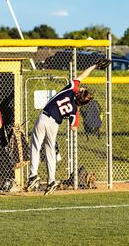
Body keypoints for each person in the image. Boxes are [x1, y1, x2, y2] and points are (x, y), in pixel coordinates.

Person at [26, 59, 111, 196]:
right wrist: (75, 110)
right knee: (50, 152)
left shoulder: (71, 89)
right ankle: (51, 181)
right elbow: (73, 128)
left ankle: (33, 175)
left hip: (45, 116)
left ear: (79, 92)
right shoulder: (75, 111)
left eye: (83, 89)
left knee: (36, 146)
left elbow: (81, 76)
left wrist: (94, 65)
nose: (82, 87)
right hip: (54, 124)